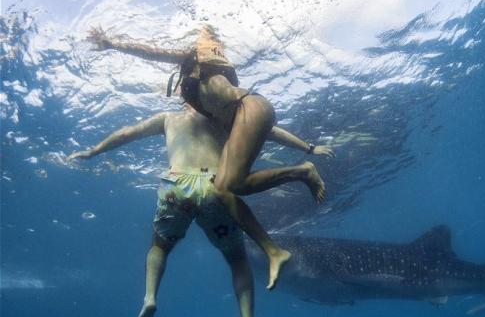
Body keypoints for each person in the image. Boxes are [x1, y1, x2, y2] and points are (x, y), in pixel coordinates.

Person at [88, 26, 334, 288]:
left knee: (233, 185)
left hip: (250, 107)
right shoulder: (216, 101)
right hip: (251, 112)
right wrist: (308, 146)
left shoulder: (198, 60)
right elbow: (270, 131)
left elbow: (152, 52)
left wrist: (111, 43)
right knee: (223, 191)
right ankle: (274, 252)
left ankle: (303, 172)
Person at [68, 104, 328, 317]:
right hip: (215, 186)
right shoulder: (225, 119)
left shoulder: (168, 118)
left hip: (176, 185)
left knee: (159, 248)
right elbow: (269, 131)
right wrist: (309, 148)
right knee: (237, 261)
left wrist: (95, 150)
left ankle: (149, 298)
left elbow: (128, 133)